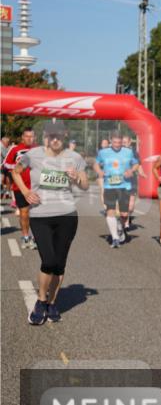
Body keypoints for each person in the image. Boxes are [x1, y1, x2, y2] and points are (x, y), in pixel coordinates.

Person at [12, 121, 89, 324]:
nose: (55, 139)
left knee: (60, 264)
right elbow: (15, 172)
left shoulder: (75, 157)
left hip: (67, 216)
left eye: (59, 136)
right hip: (40, 215)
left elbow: (85, 185)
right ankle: (40, 301)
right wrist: (26, 191)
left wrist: (77, 179)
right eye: (51, 136)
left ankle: (52, 303)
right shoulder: (34, 154)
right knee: (49, 261)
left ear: (64, 136)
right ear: (45, 136)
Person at [94, 133, 139, 248]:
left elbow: (136, 164)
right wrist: (99, 171)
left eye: (119, 143)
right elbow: (96, 164)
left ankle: (121, 227)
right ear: (111, 141)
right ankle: (115, 238)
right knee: (110, 211)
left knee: (124, 214)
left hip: (125, 186)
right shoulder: (103, 152)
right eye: (115, 143)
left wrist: (131, 171)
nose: (117, 145)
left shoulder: (128, 152)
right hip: (109, 186)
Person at [4, 127, 38, 249]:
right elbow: (6, 164)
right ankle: (25, 237)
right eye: (27, 136)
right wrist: (17, 169)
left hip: (36, 187)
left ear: (34, 137)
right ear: (22, 137)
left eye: (31, 136)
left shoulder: (39, 149)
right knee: (24, 213)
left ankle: (35, 238)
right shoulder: (15, 149)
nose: (29, 138)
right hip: (20, 188)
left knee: (37, 213)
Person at [122, 134, 141, 231]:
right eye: (122, 142)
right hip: (120, 181)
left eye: (125, 142)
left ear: (129, 142)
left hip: (132, 180)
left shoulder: (134, 153)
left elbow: (137, 164)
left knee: (131, 206)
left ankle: (127, 217)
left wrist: (131, 171)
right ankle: (125, 223)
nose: (124, 144)